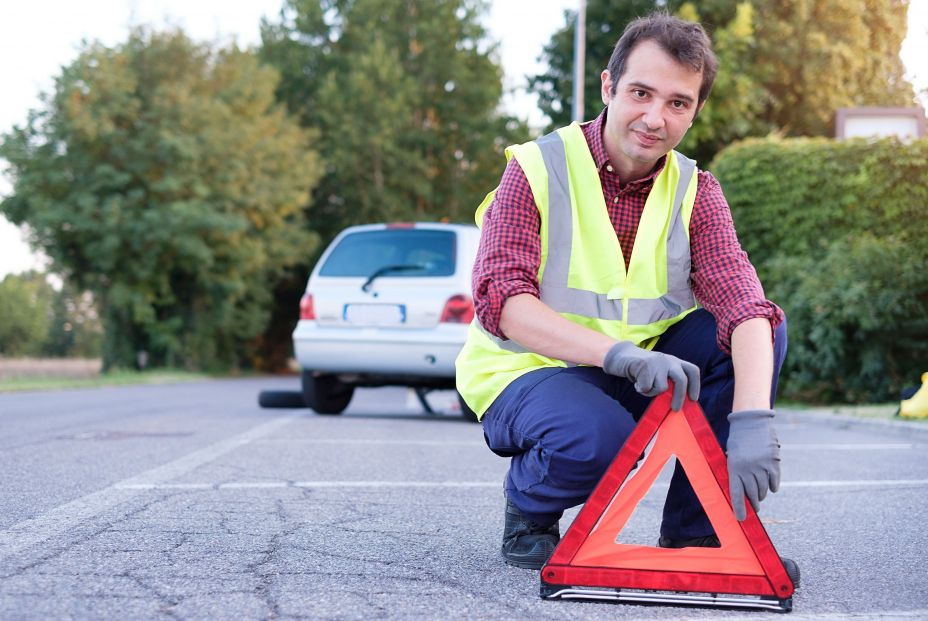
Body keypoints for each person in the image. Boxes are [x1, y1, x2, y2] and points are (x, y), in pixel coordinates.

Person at [455, 12, 791, 572]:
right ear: (609, 87)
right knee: (595, 439)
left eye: (678, 103)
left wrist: (753, 419)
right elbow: (503, 303)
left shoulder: (695, 191)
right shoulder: (536, 170)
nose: (654, 118)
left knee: (755, 331)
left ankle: (696, 536)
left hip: (638, 372)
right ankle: (530, 504)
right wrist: (619, 356)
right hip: (530, 374)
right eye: (640, 92)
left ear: (695, 112)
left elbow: (745, 304)